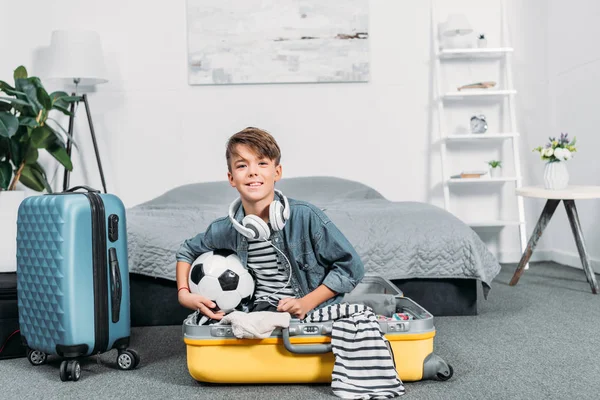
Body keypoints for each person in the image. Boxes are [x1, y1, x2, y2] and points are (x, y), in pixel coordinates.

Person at [176, 127, 364, 320]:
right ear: (231, 178)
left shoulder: (305, 217)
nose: (253, 172)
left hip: (310, 312)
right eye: (242, 166)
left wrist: (306, 302)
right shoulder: (225, 229)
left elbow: (351, 267)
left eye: (262, 163)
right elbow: (187, 250)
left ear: (277, 172)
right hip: (257, 315)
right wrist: (184, 294)